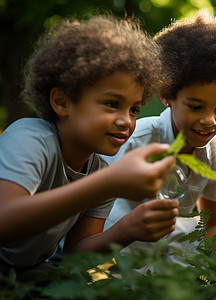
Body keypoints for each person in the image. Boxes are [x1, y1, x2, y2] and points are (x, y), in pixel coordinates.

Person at [0, 15, 179, 281]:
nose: (126, 121)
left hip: (26, 273)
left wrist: (126, 230)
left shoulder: (99, 171)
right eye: (111, 104)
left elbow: (74, 256)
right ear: (62, 102)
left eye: (134, 109)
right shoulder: (30, 137)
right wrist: (106, 184)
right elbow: (5, 220)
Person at [103, 9, 216, 271]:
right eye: (196, 107)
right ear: (167, 95)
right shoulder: (133, 141)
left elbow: (215, 225)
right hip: (126, 269)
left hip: (181, 271)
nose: (210, 120)